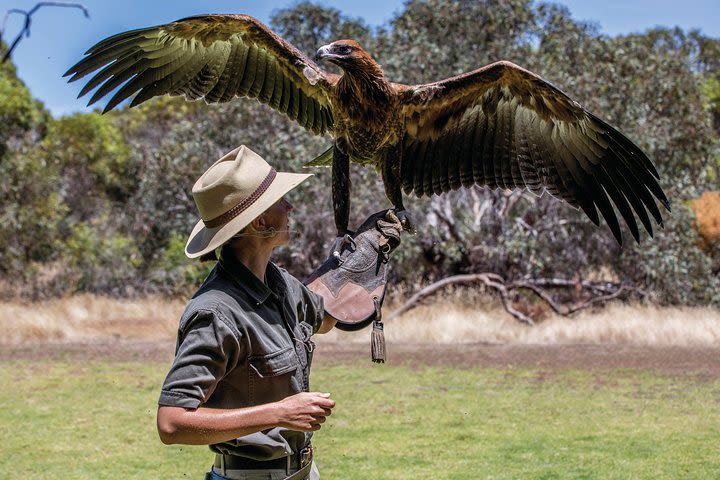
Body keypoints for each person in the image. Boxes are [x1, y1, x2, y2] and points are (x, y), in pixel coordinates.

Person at [156, 145, 399, 480]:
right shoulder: (216, 313)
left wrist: (364, 255)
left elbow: (324, 319)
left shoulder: (278, 282)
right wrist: (280, 413)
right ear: (260, 221)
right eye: (280, 200)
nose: (290, 206)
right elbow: (171, 423)